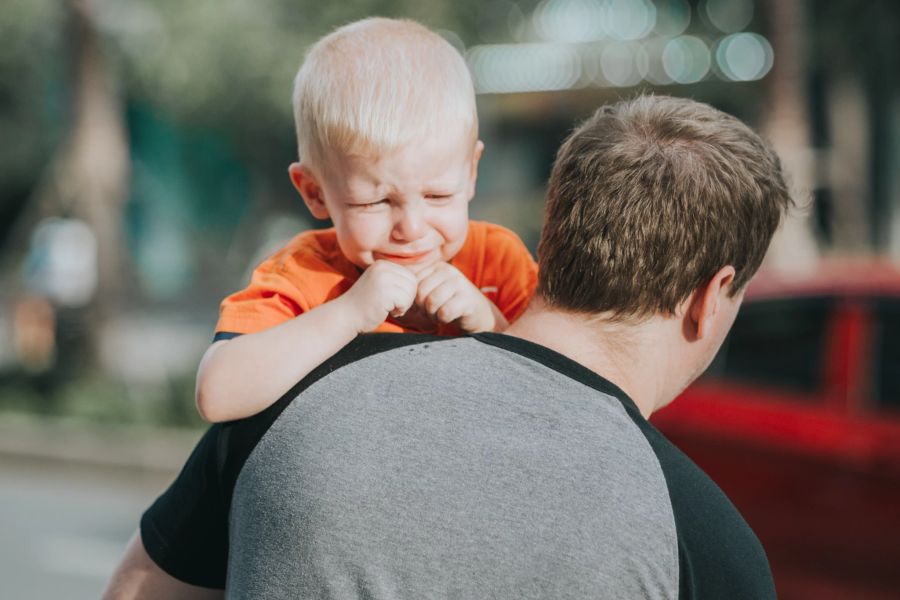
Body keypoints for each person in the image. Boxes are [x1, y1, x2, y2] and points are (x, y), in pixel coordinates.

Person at [104, 95, 792, 599]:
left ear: (553, 232)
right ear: (711, 295)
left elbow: (135, 591)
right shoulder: (708, 546)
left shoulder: (290, 404)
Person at [195, 17, 538, 423]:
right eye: (375, 202)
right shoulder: (304, 273)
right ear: (314, 192)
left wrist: (490, 323)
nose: (411, 228)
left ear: (471, 173)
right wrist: (347, 313)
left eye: (437, 195)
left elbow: (561, 394)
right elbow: (218, 395)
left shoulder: (497, 261)